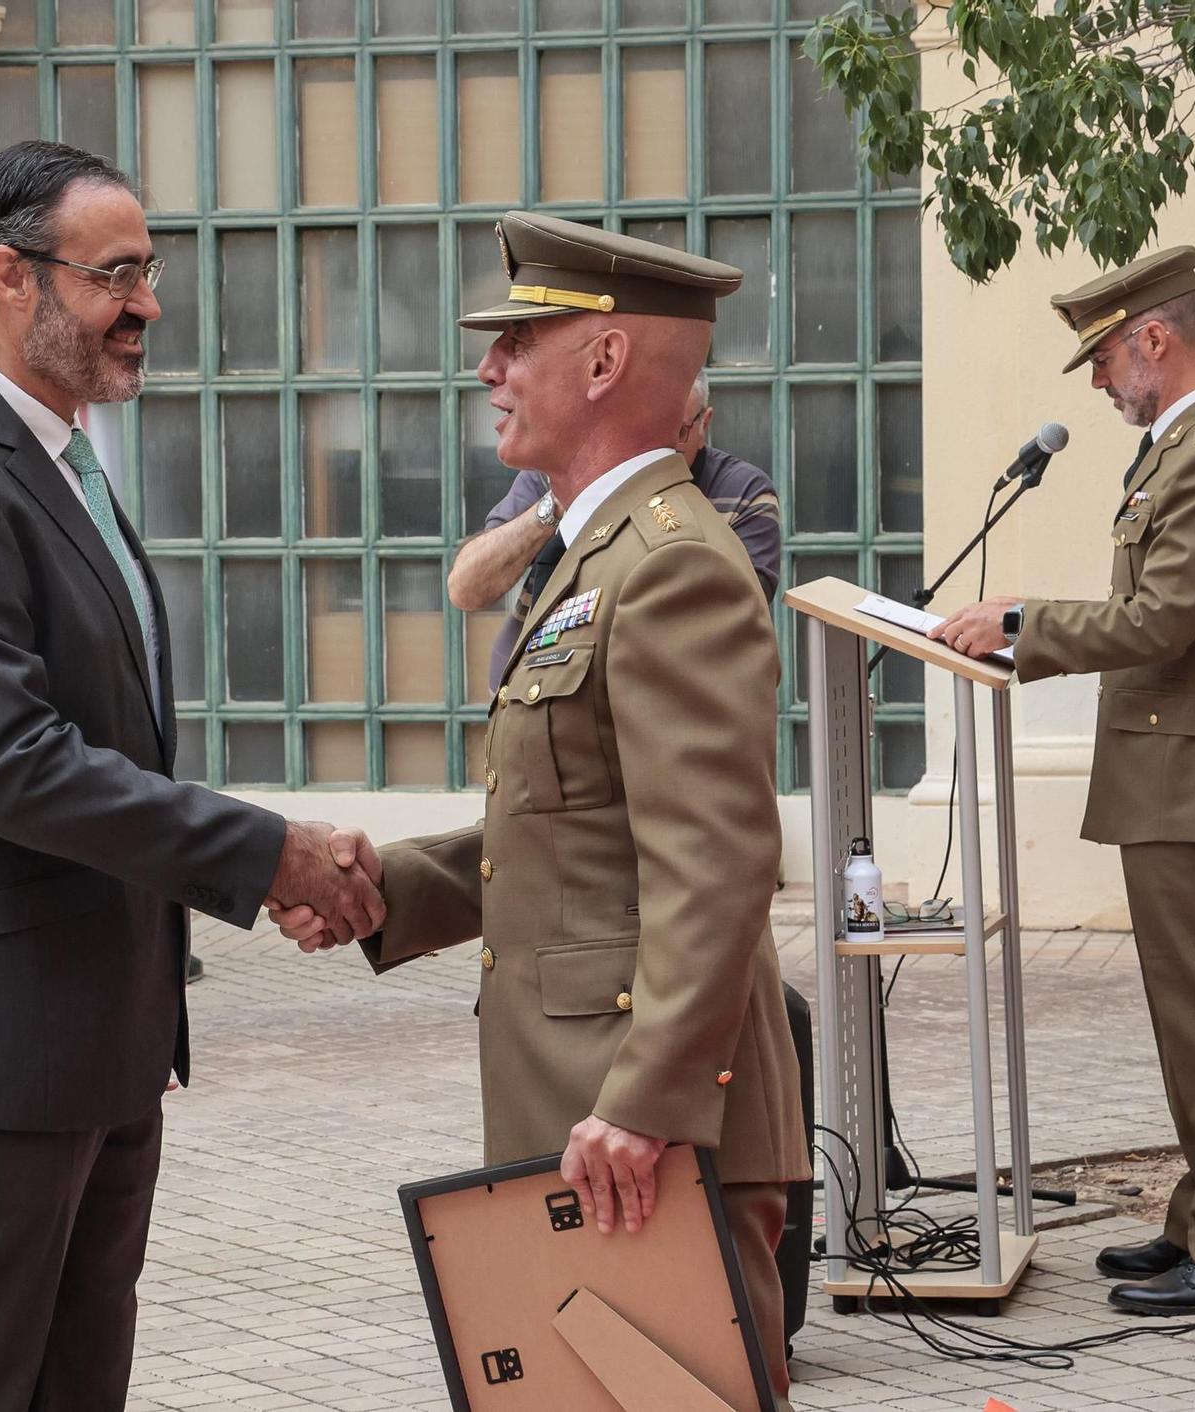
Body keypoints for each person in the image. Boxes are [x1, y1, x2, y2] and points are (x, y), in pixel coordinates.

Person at [0, 140, 384, 1411]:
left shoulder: (57, 454)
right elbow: (10, 766)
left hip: (92, 1044)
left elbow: (102, 738)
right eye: (114, 274)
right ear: (9, 276)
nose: (148, 305)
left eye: (150, 270)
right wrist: (265, 852)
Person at [274, 212, 809, 1405]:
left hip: (646, 1125)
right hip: (589, 1105)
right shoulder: (592, 549)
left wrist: (645, 1100)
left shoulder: (668, 560)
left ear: (605, 362)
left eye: (517, 341)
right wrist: (384, 892)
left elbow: (715, 862)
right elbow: (573, 826)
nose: (489, 368)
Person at [934, 245, 1195, 1316]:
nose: (1096, 380)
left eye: (1100, 357)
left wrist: (1018, 623)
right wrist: (1020, 621)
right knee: (1186, 1011)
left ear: (1153, 335)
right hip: (1174, 765)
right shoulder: (1179, 447)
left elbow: (1160, 619)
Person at [449, 368, 779, 692]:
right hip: (528, 690)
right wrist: (557, 505)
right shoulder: (558, 471)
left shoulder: (744, 491)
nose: (656, 448)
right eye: (645, 428)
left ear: (704, 423)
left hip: (659, 703)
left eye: (676, 432)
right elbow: (467, 588)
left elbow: (736, 619)